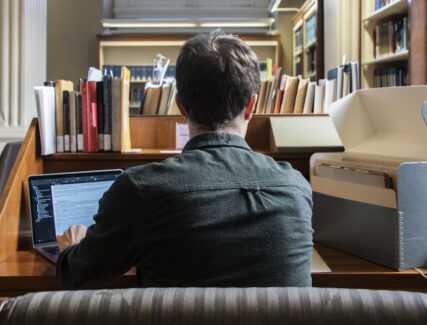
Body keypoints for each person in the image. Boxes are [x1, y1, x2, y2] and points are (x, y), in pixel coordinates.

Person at [56, 30, 313, 288]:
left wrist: (72, 248)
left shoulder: (140, 191)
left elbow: (76, 276)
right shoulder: (297, 188)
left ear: (179, 105)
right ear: (251, 106)